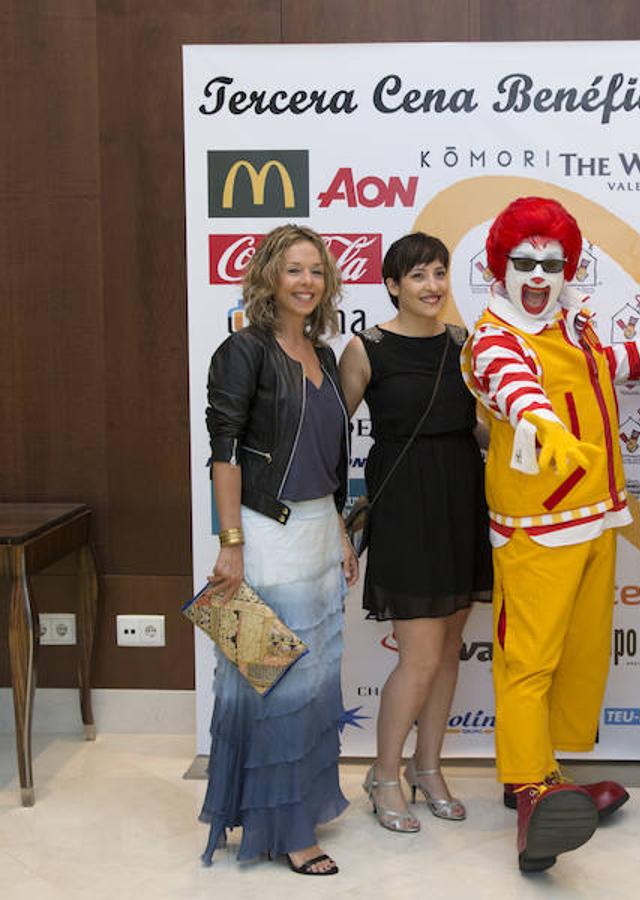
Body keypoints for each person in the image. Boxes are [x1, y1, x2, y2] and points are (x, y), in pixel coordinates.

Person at [463, 196, 640, 872]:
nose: (538, 275)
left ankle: (548, 776)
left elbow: (616, 364)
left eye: (552, 263)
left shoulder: (572, 326)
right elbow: (514, 388)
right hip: (537, 529)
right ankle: (528, 787)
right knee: (528, 663)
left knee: (580, 658)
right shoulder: (494, 336)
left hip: (596, 518)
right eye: (524, 262)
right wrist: (544, 426)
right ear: (499, 265)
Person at [200, 224, 358, 875]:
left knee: (312, 686)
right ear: (268, 276)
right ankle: (288, 830)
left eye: (315, 271)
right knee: (274, 684)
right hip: (265, 538)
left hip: (320, 535)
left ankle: (291, 807)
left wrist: (344, 532)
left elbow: (326, 461)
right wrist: (231, 545)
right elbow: (225, 453)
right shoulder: (243, 351)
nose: (306, 282)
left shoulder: (323, 352)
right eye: (293, 269)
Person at [337, 233, 492, 834]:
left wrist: (535, 434)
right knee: (421, 657)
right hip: (405, 506)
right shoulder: (366, 348)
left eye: (440, 273)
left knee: (449, 648)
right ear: (393, 285)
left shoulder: (466, 345)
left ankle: (428, 768)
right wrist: (333, 517)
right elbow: (332, 437)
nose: (432, 286)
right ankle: (383, 773)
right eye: (418, 276)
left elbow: (477, 431)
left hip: (461, 499)